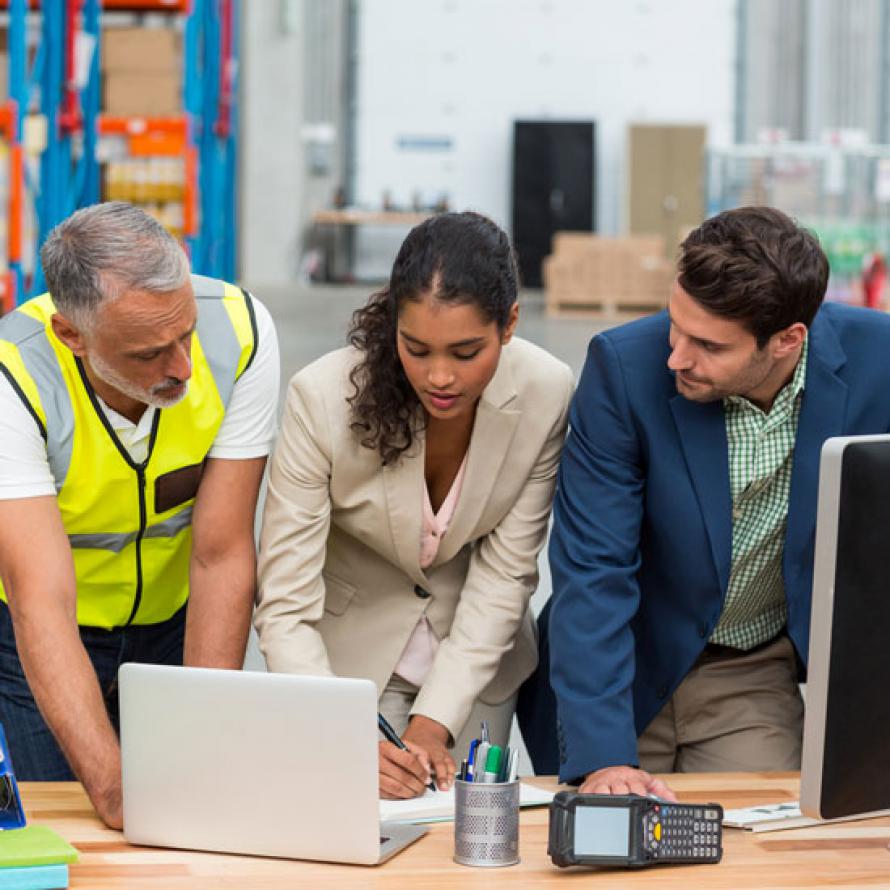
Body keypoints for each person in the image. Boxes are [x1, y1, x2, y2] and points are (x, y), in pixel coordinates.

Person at [529, 205, 890, 797]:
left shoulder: (879, 362)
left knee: (762, 858)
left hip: (750, 670)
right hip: (620, 663)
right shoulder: (623, 369)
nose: (676, 356)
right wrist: (604, 760)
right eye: (675, 325)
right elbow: (595, 569)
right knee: (603, 849)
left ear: (787, 340)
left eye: (708, 345)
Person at [255, 211, 573, 799]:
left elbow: (506, 576)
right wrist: (336, 731)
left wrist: (434, 724)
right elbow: (285, 604)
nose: (440, 376)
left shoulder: (546, 391)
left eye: (466, 350)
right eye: (416, 348)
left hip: (476, 669)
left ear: (510, 324)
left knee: (469, 846)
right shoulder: (322, 399)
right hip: (343, 670)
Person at [0, 202, 279, 827]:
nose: (183, 367)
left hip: (173, 627)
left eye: (185, 333)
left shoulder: (239, 333)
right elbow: (37, 598)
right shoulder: (11, 376)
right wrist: (113, 789)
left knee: (191, 810)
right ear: (73, 335)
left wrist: (201, 735)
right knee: (64, 830)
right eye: (149, 353)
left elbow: (222, 552)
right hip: (38, 640)